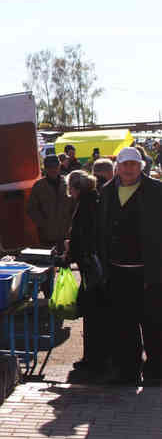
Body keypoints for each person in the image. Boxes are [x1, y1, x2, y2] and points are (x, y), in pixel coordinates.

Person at [97, 146, 162, 385]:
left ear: (141, 166)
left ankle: (156, 371)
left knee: (154, 324)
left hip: (149, 272)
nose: (128, 169)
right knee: (124, 324)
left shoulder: (156, 191)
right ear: (118, 167)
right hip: (117, 271)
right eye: (124, 164)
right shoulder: (105, 191)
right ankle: (128, 370)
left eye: (133, 164)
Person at [63, 170, 108, 375]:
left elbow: (82, 237)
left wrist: (67, 256)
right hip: (95, 266)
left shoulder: (85, 205)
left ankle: (93, 359)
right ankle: (96, 357)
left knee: (92, 314)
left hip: (90, 268)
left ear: (75, 188)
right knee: (96, 314)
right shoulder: (96, 199)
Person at [27, 155, 74, 252]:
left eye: (55, 167)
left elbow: (74, 205)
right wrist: (43, 223)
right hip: (47, 235)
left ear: (59, 166)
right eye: (50, 167)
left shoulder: (67, 182)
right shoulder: (39, 186)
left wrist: (71, 223)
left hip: (66, 233)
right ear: (45, 168)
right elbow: (31, 209)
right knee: (50, 261)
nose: (53, 170)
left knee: (65, 262)